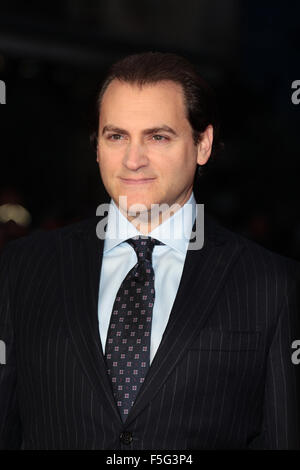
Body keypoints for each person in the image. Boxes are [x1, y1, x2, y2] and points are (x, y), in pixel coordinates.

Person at [0, 52, 299, 450]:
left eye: (157, 137)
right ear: (97, 146)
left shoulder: (273, 285)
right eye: (116, 135)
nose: (133, 160)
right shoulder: (22, 269)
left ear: (203, 144)